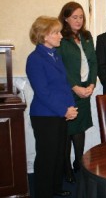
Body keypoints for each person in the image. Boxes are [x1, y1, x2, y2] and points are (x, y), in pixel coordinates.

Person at [26, 16, 78, 198]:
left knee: (58, 155)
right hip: (45, 116)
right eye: (55, 32)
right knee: (47, 157)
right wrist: (64, 110)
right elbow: (43, 92)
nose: (60, 36)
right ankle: (43, 193)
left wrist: (71, 107)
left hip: (59, 114)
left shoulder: (54, 55)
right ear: (44, 36)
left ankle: (55, 187)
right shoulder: (35, 59)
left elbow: (63, 85)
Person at [57, 1, 97, 184]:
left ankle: (78, 162)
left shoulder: (87, 36)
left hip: (85, 90)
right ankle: (66, 168)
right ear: (65, 18)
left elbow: (93, 62)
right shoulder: (60, 39)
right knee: (67, 132)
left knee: (79, 129)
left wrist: (91, 84)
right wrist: (74, 87)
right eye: (74, 17)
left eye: (81, 17)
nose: (79, 20)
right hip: (67, 91)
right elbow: (60, 67)